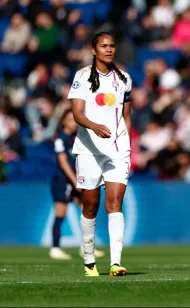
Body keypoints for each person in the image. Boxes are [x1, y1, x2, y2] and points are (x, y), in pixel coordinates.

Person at [68, 32, 132, 277]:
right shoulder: (82, 77)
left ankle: (116, 263)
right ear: (93, 50)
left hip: (117, 149)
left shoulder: (124, 78)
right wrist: (94, 126)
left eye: (112, 45)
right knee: (90, 206)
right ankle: (89, 261)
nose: (109, 49)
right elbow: (77, 114)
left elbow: (127, 116)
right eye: (104, 46)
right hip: (89, 150)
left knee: (115, 204)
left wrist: (128, 143)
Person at [49, 109, 105, 260]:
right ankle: (54, 248)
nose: (74, 123)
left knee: (86, 210)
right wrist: (75, 181)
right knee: (60, 213)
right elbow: (63, 163)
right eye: (70, 119)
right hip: (63, 180)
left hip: (76, 179)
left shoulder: (76, 139)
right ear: (63, 122)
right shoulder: (60, 139)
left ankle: (85, 247)